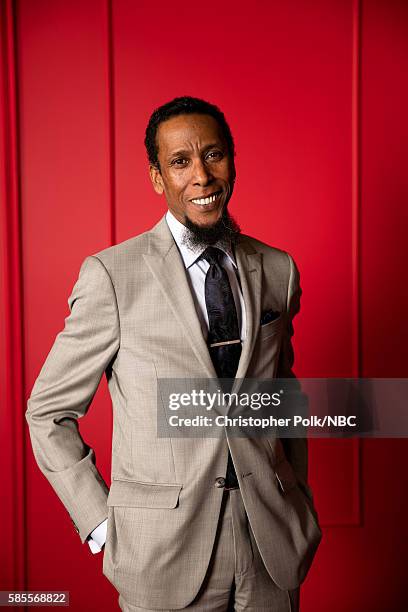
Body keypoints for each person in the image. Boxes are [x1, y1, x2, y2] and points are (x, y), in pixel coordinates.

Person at [26, 96, 322, 611]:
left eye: (213, 155)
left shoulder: (279, 270)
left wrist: (292, 489)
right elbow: (48, 412)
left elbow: (282, 391)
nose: (202, 176)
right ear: (157, 178)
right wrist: (100, 521)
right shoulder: (112, 277)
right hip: (163, 551)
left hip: (271, 543)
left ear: (232, 160)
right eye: (180, 162)